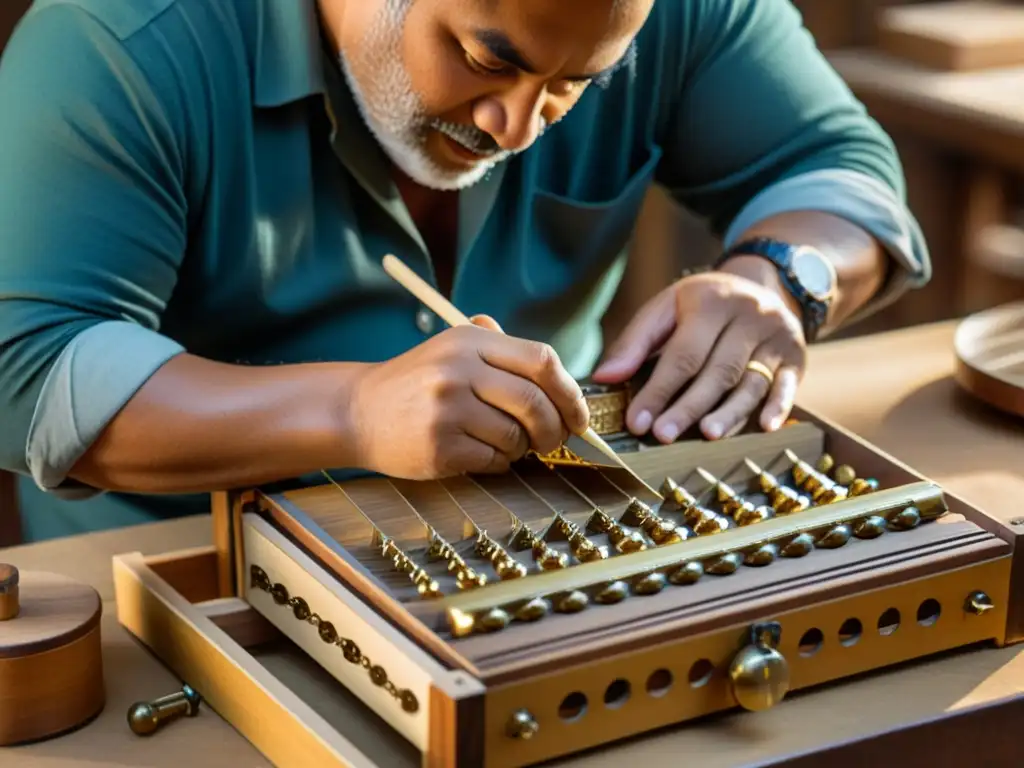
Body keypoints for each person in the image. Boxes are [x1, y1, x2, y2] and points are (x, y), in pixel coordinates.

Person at [0, 0, 929, 542]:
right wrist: (351, 413)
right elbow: (27, 368)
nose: (518, 130)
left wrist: (780, 278)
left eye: (578, 87)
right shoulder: (120, 42)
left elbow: (841, 170)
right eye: (488, 59)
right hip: (191, 588)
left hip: (554, 549)